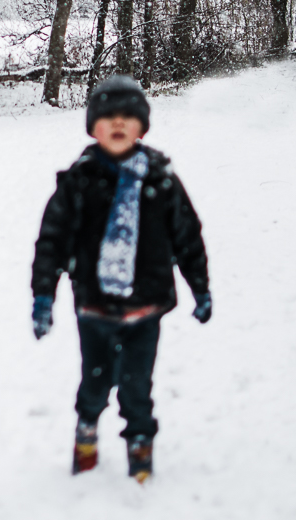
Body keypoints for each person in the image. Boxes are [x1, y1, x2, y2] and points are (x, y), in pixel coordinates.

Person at [30, 75, 211, 482]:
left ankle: (140, 443)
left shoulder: (161, 181)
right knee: (95, 383)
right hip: (95, 306)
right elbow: (52, 242)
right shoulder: (79, 182)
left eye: (128, 117)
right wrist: (44, 295)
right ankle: (87, 430)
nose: (118, 123)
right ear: (93, 127)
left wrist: (200, 287)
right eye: (108, 116)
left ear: (142, 127)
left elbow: (187, 237)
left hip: (145, 306)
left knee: (136, 387)